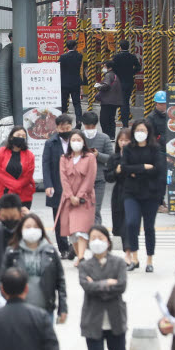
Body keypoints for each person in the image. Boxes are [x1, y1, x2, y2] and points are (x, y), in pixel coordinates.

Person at [78, 225, 128, 350]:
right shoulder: (84, 265)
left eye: (100, 238)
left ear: (108, 241)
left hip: (115, 318)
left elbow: (122, 285)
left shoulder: (119, 263)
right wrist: (108, 283)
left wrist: (97, 285)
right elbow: (86, 286)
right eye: (93, 239)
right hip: (93, 319)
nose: (97, 242)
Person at [2, 213, 68, 324]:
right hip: (19, 310)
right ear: (21, 230)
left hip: (45, 309)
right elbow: (2, 279)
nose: (32, 230)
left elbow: (60, 281)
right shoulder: (12, 252)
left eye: (35, 227)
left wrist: (63, 308)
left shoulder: (50, 252)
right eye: (28, 227)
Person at [120, 120, 166, 272]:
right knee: (132, 223)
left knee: (149, 227)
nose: (140, 133)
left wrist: (136, 172)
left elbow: (158, 170)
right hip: (131, 192)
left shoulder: (155, 149)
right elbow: (124, 168)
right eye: (137, 130)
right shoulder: (128, 149)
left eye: (143, 130)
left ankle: (150, 259)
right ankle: (134, 258)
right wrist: (144, 167)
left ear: (148, 132)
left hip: (151, 193)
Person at [56, 129, 97, 263]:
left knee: (82, 229)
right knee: (71, 231)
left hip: (85, 199)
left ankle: (81, 256)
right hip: (68, 198)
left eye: (79, 140)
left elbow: (90, 178)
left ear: (84, 142)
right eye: (73, 140)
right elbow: (63, 178)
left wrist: (79, 196)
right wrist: (70, 195)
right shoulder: (64, 158)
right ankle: (78, 253)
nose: (76, 143)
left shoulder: (90, 157)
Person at [42, 114, 75, 259]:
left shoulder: (77, 141)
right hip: (57, 184)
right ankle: (64, 249)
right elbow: (46, 165)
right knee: (60, 218)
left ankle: (75, 246)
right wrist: (48, 184)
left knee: (75, 217)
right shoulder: (51, 143)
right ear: (57, 128)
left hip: (75, 185)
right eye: (62, 128)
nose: (65, 130)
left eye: (68, 127)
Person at [81, 112, 114, 224]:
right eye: (87, 126)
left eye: (92, 127)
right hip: (81, 179)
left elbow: (111, 158)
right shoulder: (78, 137)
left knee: (95, 209)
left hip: (99, 179)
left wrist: (98, 155)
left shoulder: (104, 138)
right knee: (82, 209)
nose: (90, 129)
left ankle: (96, 234)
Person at [0, 126, 36, 209]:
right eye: (18, 135)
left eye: (23, 136)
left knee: (22, 220)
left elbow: (28, 175)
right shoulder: (1, 152)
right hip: (4, 194)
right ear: (11, 137)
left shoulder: (30, 155)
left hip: (23, 195)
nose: (21, 138)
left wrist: (17, 185)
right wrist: (14, 185)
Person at [104, 129, 131, 239]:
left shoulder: (135, 156)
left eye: (126, 140)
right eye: (121, 140)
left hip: (133, 190)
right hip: (119, 190)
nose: (123, 143)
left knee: (130, 220)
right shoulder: (113, 157)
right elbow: (108, 177)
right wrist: (116, 172)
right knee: (118, 216)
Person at [111, 40, 142, 126]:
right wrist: (132, 72)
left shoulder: (116, 57)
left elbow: (113, 69)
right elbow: (138, 67)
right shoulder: (132, 56)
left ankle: (120, 120)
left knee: (118, 102)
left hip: (118, 82)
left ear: (120, 47)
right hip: (129, 81)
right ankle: (125, 123)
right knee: (126, 102)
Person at [94, 60, 123, 137]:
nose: (103, 68)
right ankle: (112, 135)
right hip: (115, 101)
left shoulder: (108, 75)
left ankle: (106, 135)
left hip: (107, 101)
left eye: (104, 66)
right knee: (111, 119)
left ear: (108, 67)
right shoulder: (115, 75)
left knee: (104, 120)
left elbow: (106, 85)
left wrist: (99, 86)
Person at [58, 40, 84, 120]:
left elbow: (58, 66)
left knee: (64, 103)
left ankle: (63, 120)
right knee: (77, 103)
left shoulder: (63, 57)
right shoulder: (79, 56)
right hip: (75, 83)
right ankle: (79, 121)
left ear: (67, 47)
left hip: (64, 83)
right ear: (75, 46)